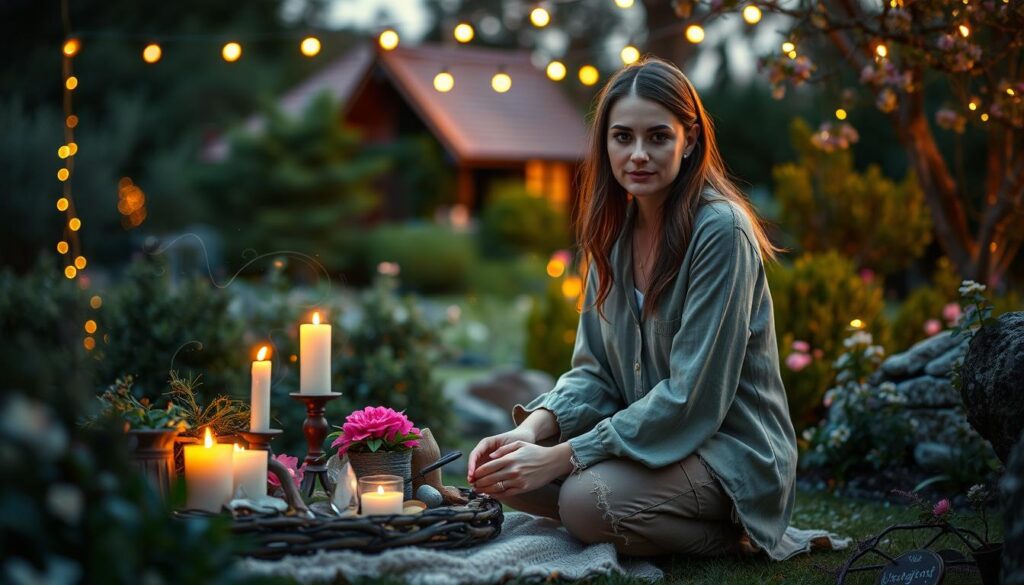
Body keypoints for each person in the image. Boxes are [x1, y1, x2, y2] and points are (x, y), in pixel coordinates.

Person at [467, 57, 799, 559]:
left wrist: (565, 456)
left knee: (584, 503)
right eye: (623, 137)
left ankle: (739, 540)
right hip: (648, 443)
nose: (638, 154)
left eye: (658, 137)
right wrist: (528, 431)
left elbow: (692, 399)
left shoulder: (721, 231)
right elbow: (594, 373)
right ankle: (620, 504)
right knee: (504, 475)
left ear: (689, 141)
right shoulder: (612, 235)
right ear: (605, 143)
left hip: (726, 449)